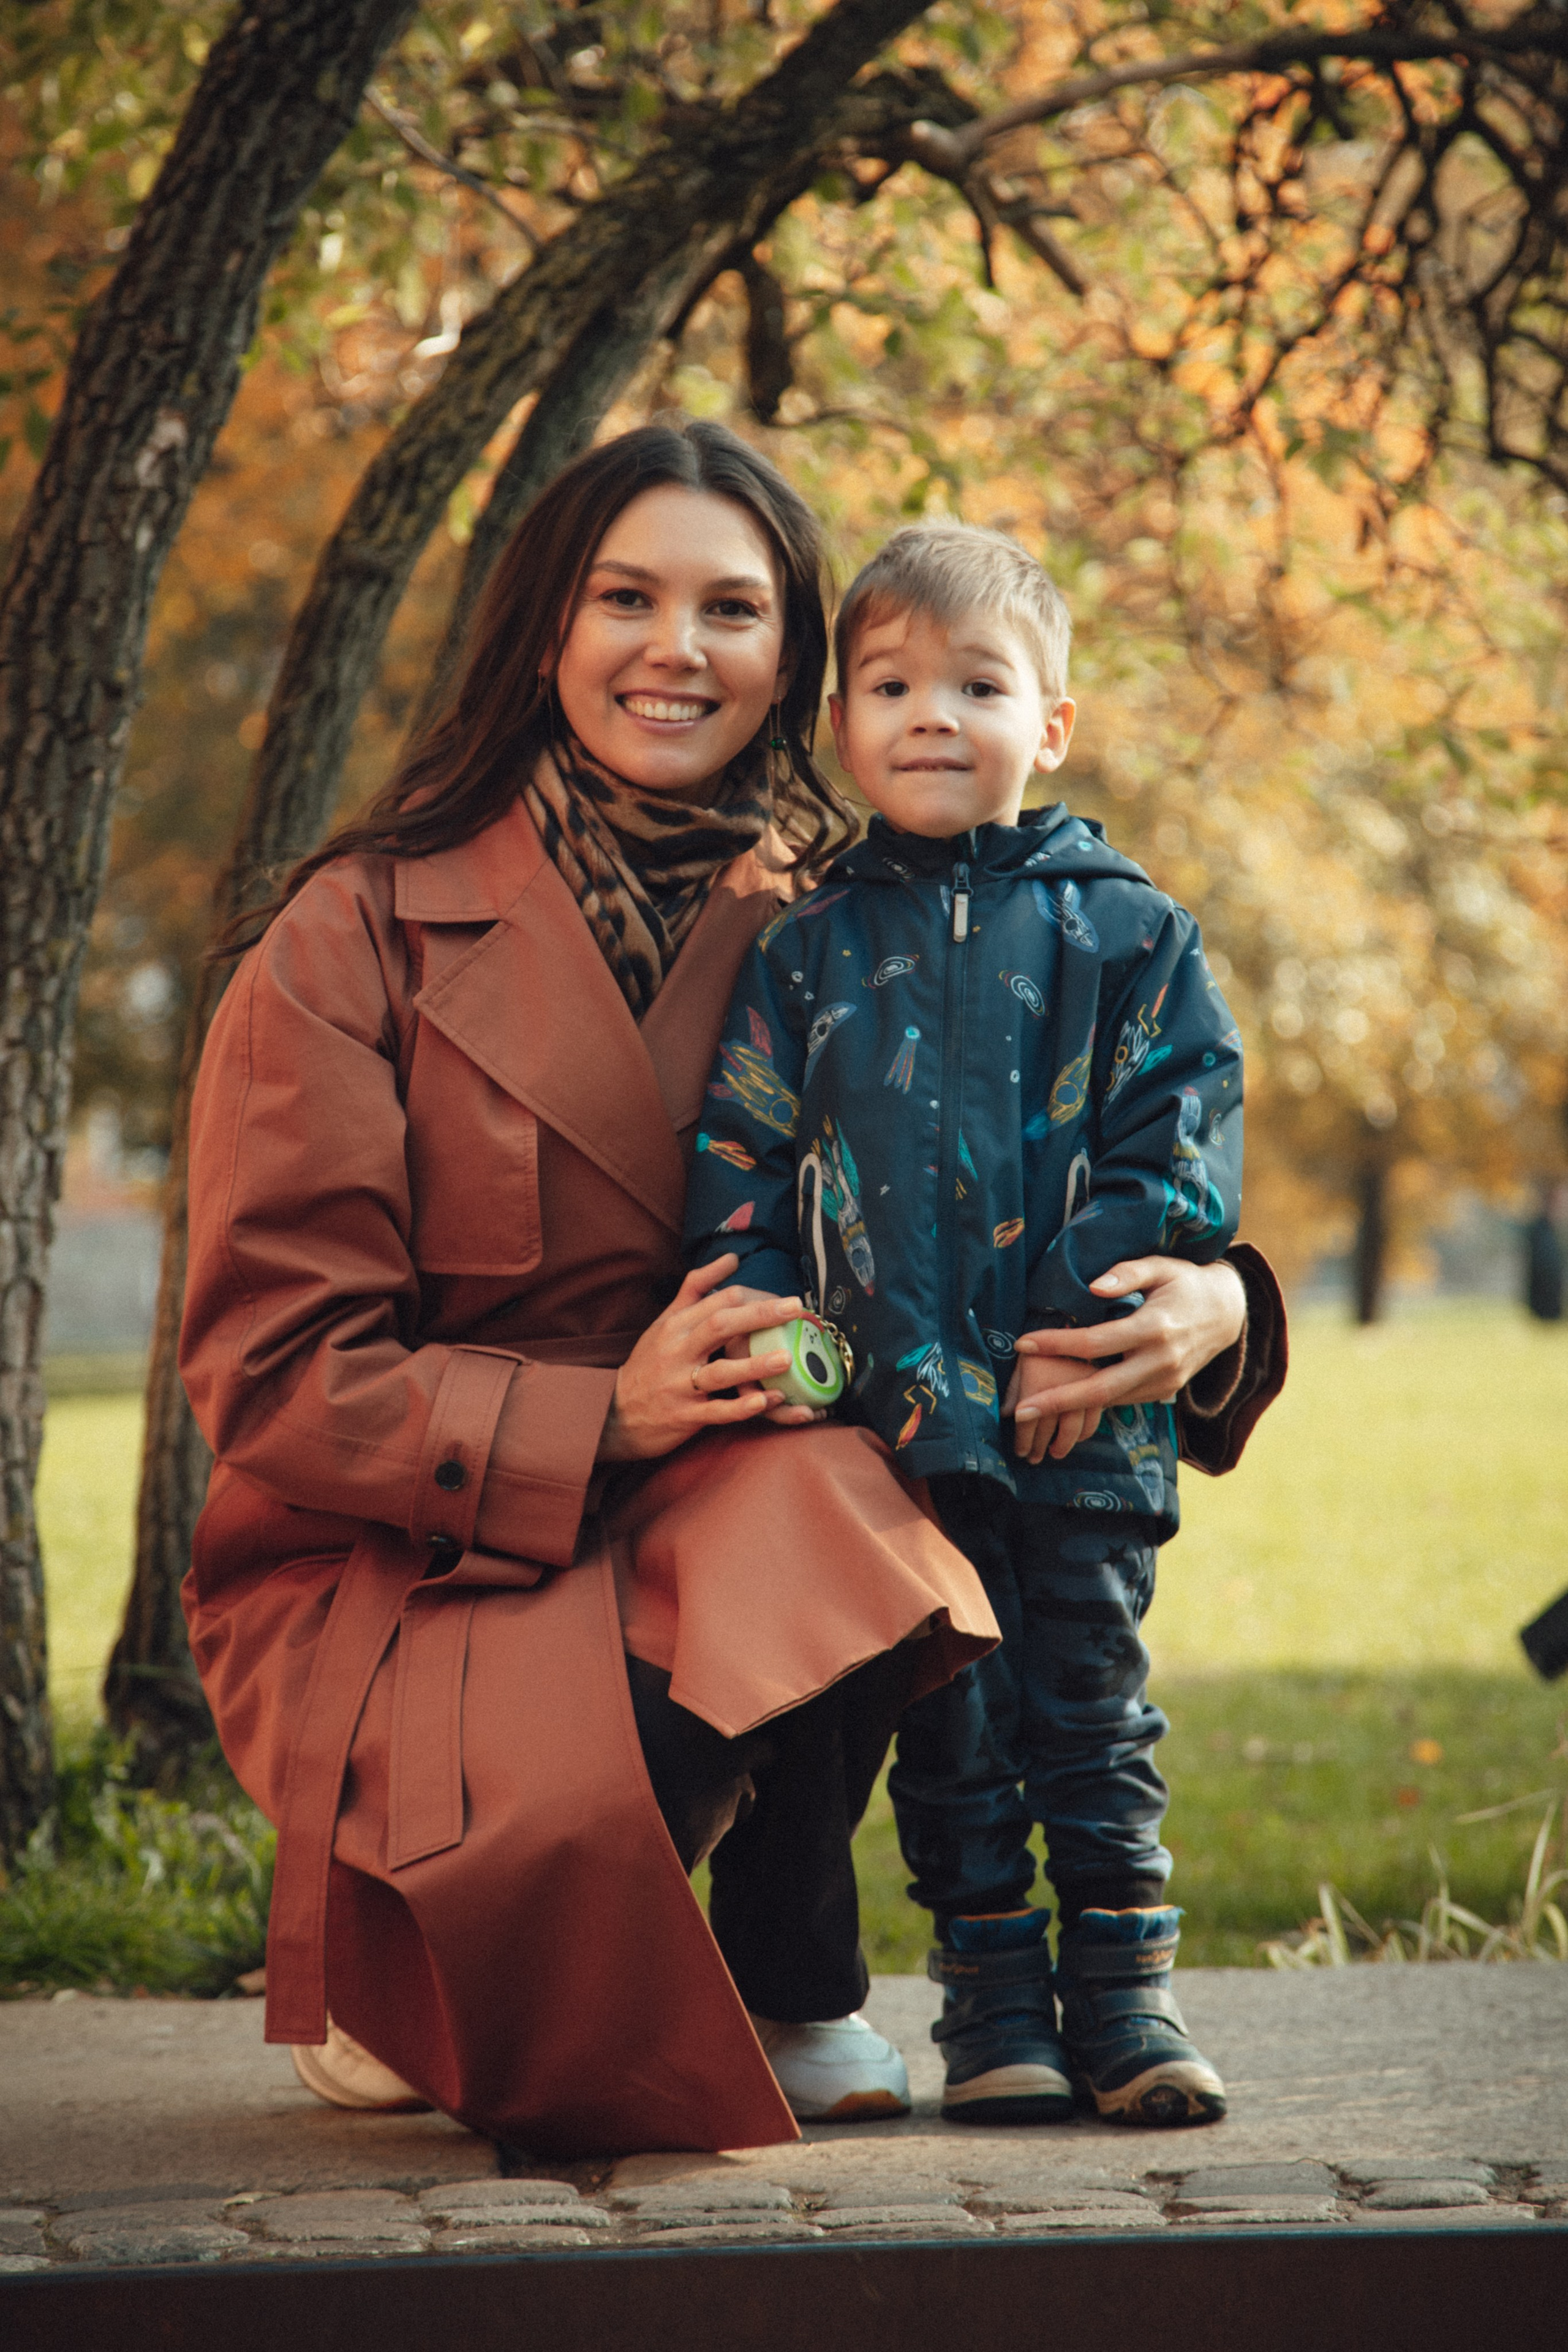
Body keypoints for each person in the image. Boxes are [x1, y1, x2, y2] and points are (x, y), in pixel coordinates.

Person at [180, 423, 1275, 2160]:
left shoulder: (836, 923)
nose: (676, 648)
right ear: (543, 625)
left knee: (858, 1480)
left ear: (795, 668)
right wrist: (597, 1412)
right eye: (627, 596)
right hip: (416, 1560)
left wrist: (1220, 1303)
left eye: (734, 609)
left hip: (715, 1518)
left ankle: (791, 1970)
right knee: (507, 2003)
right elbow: (268, 1372)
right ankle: (434, 1928)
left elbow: (994, 1169)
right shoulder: (352, 934)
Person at [685, 520, 1285, 2135]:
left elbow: (1182, 1147)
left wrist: (1067, 1336)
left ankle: (1129, 2001)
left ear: (1052, 724)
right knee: (947, 1736)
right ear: (844, 726)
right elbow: (740, 1150)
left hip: (1082, 1421)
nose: (933, 714)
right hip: (894, 1439)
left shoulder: (1130, 935)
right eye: (891, 685)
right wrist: (770, 1315)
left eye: (977, 682)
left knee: (1090, 1715)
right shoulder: (809, 952)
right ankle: (997, 2010)